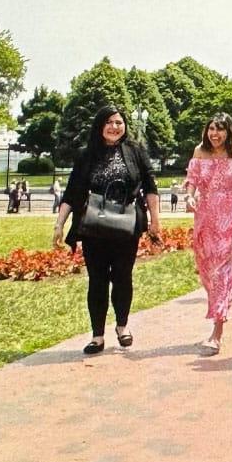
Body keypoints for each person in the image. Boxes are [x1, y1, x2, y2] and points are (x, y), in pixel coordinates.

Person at [52, 105, 160, 354]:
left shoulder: (134, 151)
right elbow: (72, 191)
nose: (114, 127)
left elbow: (150, 187)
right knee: (97, 280)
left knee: (123, 277)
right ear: (100, 126)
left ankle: (122, 326)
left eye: (119, 122)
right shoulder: (87, 154)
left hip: (126, 225)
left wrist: (155, 220)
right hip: (95, 227)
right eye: (109, 122)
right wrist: (59, 224)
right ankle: (97, 335)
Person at [184, 113, 232, 355]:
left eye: (220, 129)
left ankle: (217, 330)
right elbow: (191, 180)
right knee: (209, 272)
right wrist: (190, 195)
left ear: (229, 132)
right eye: (212, 129)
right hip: (205, 217)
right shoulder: (199, 152)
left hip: (230, 217)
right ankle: (218, 312)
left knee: (223, 274)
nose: (215, 134)